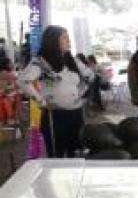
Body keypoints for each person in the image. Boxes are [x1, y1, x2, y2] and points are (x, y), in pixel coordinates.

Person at [19, 25, 93, 157]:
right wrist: (40, 100)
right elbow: (23, 81)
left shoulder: (72, 60)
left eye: (68, 37)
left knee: (75, 152)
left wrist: (82, 93)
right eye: (65, 38)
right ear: (53, 40)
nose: (69, 40)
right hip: (55, 117)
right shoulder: (41, 62)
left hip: (76, 113)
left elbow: (89, 76)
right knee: (57, 155)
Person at [0, 57, 19, 126]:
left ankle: (9, 119)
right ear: (7, 64)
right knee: (15, 97)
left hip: (5, 95)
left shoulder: (5, 73)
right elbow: (15, 82)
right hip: (6, 95)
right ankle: (11, 119)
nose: (12, 64)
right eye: (11, 63)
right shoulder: (6, 73)